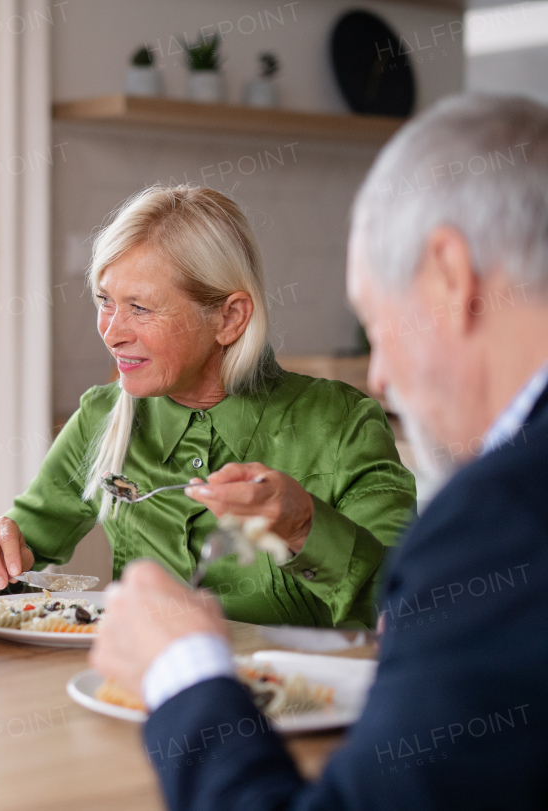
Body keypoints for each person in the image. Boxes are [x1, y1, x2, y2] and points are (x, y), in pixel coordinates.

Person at [92, 93, 548, 809]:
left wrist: (184, 666)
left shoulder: (500, 520)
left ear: (450, 277)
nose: (381, 376)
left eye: (377, 323)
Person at [0, 185, 415, 629]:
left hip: (295, 697)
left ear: (229, 318)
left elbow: (411, 606)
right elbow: (11, 554)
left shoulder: (344, 425)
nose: (111, 332)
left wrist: (304, 529)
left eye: (140, 308)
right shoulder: (102, 417)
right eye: (105, 301)